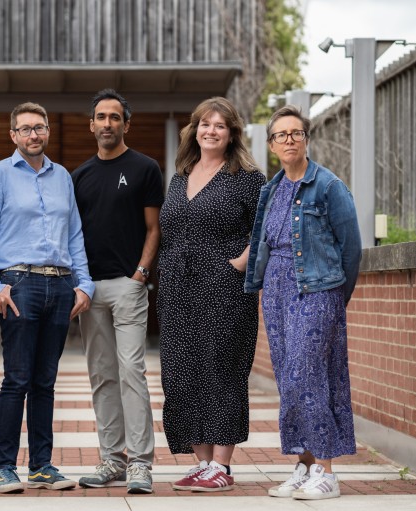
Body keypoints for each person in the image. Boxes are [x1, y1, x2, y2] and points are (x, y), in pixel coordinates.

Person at [0, 102, 95, 494]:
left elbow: (74, 233)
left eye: (39, 128)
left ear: (47, 132)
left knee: (46, 381)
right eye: (25, 129)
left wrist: (84, 284)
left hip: (60, 286)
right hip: (19, 285)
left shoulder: (63, 177)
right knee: (17, 379)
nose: (33, 135)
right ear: (14, 135)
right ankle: (4, 467)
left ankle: (42, 466)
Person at [244, 105, 361, 500]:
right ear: (272, 143)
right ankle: (304, 465)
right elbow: (265, 242)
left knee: (307, 374)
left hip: (316, 291)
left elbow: (351, 250)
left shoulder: (328, 186)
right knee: (288, 378)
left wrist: (332, 299)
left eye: (296, 133)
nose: (289, 140)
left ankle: (326, 472)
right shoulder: (271, 189)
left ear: (306, 139)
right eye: (282, 135)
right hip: (275, 291)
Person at [157, 97, 265, 492]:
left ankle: (222, 465)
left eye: (220, 125)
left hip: (224, 289)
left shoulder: (247, 178)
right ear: (195, 130)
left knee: (222, 370)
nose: (211, 131)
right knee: (181, 373)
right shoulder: (180, 176)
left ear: (232, 133)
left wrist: (240, 263)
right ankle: (202, 464)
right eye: (205, 123)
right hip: (178, 290)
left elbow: (266, 229)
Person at [72, 89, 163, 494]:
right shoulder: (80, 176)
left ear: (126, 123)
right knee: (101, 376)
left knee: (132, 372)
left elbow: (154, 228)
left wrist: (140, 274)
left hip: (128, 286)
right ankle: (113, 459)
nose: (107, 123)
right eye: (100, 117)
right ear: (91, 124)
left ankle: (140, 463)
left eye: (114, 117)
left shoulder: (145, 168)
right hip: (90, 290)